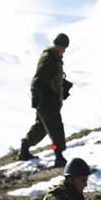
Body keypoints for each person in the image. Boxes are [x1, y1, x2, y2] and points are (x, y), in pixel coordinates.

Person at [19, 33, 72, 167]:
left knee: (41, 127)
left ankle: (24, 148)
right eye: (64, 48)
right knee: (55, 127)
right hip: (46, 99)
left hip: (51, 98)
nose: (64, 51)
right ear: (58, 46)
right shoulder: (48, 58)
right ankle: (59, 156)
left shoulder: (55, 58)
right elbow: (38, 80)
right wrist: (36, 99)